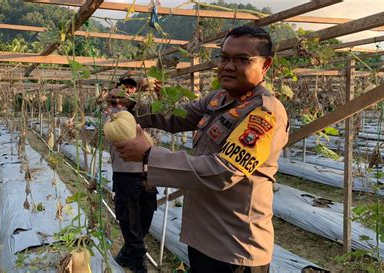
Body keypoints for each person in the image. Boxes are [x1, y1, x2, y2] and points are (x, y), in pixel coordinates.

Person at [113, 25, 289, 273]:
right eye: (224, 57)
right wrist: (131, 108)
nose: (228, 66)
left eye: (241, 59)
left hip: (234, 247)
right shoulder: (219, 98)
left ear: (266, 65)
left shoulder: (264, 112)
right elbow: (175, 117)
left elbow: (225, 170)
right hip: (205, 237)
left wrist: (148, 155)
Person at [105, 77, 157, 273]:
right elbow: (125, 125)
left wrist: (147, 90)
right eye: (118, 93)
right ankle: (138, 259)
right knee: (129, 218)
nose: (121, 97)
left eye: (129, 90)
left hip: (148, 172)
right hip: (124, 174)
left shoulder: (140, 112)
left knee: (147, 214)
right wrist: (118, 100)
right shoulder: (112, 116)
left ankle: (128, 252)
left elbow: (153, 111)